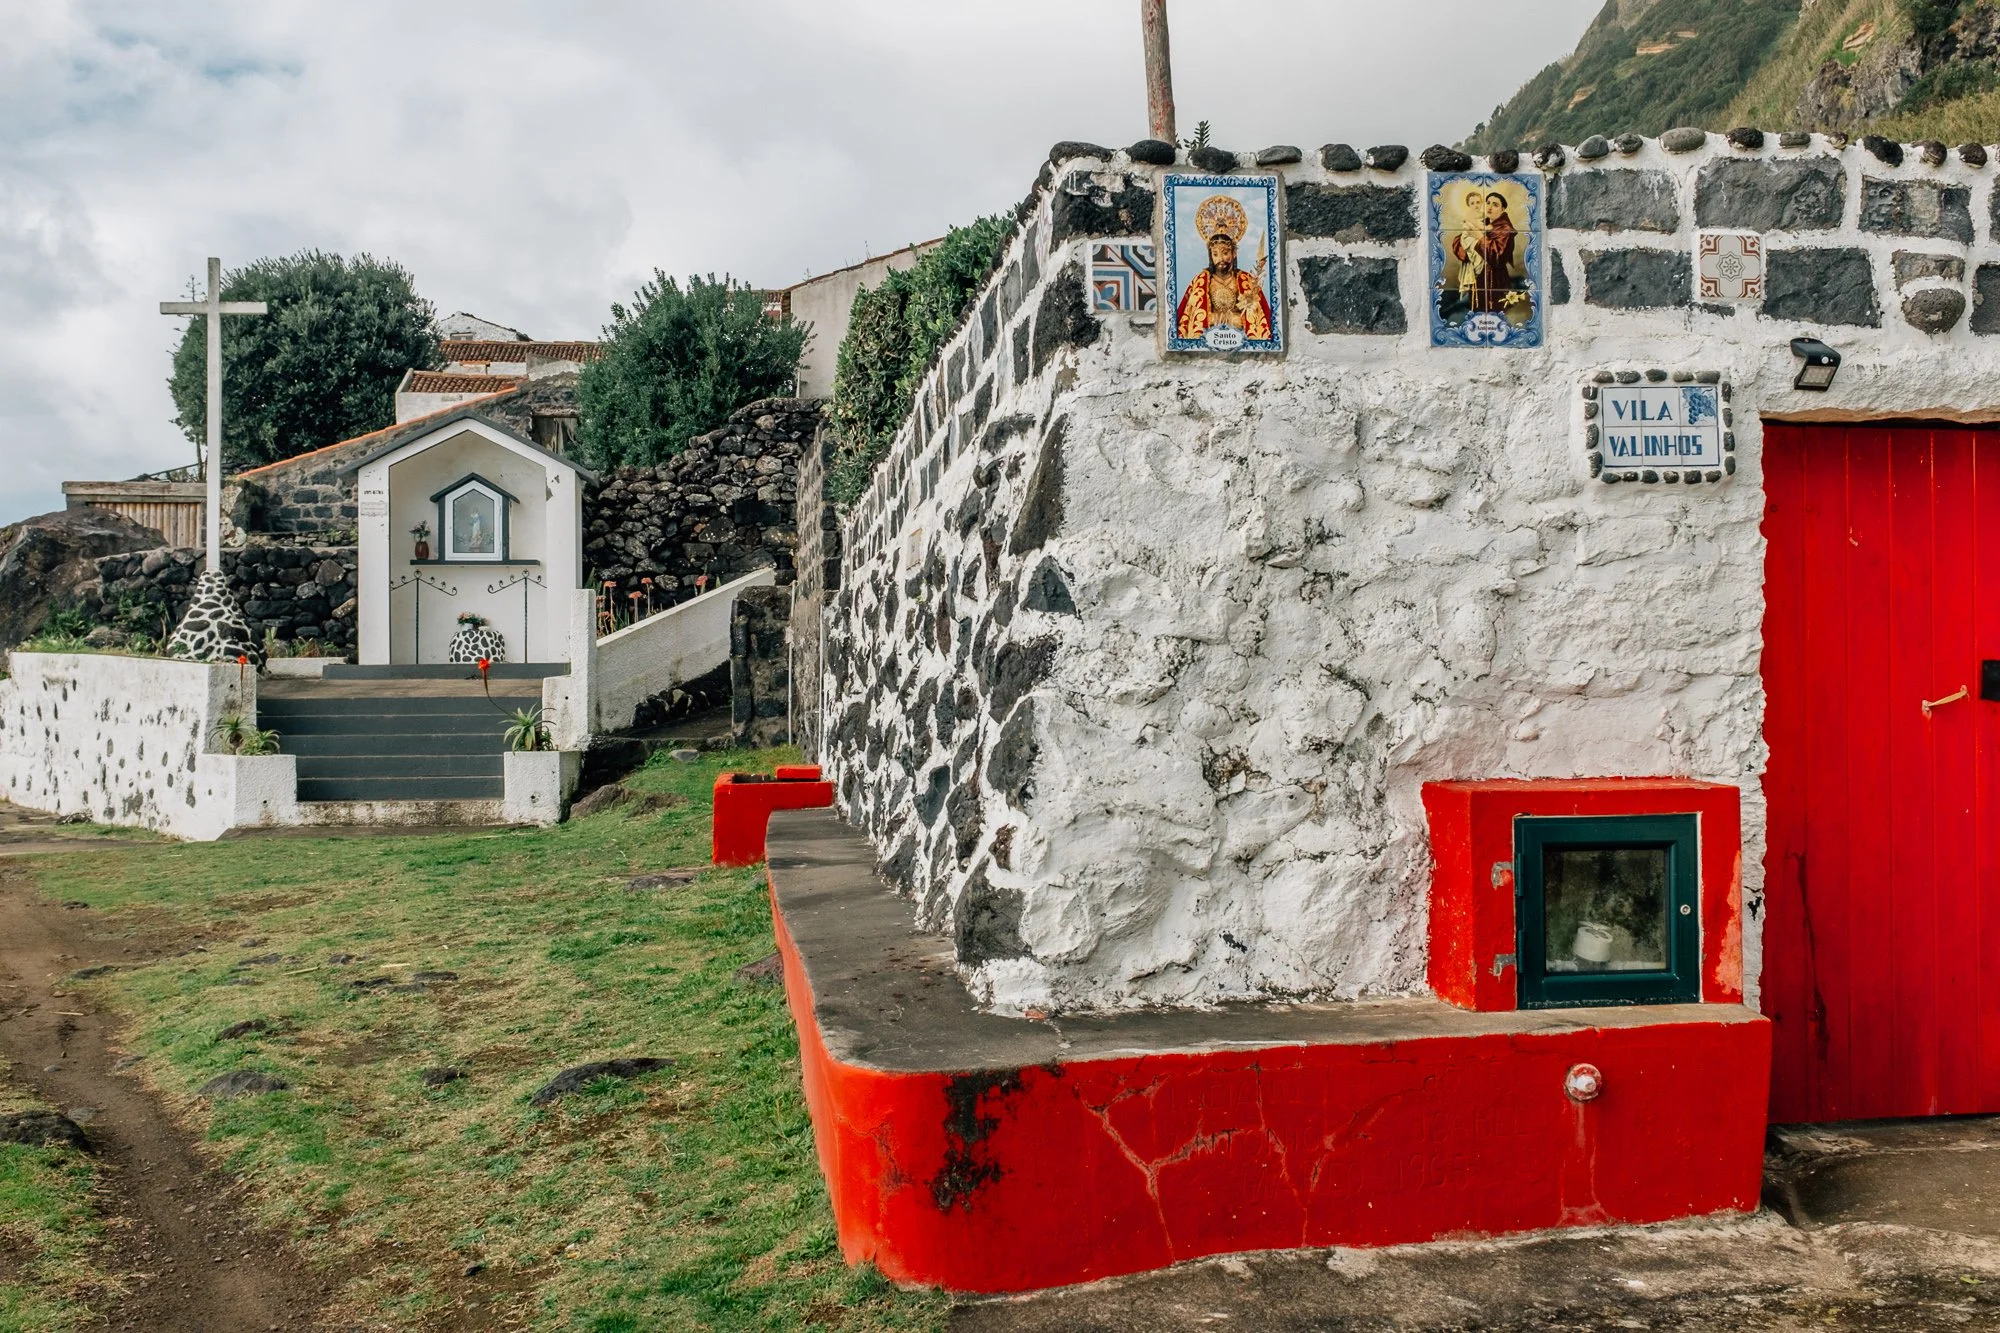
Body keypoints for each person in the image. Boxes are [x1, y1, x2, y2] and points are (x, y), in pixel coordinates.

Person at [1175, 195, 1273, 342]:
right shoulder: (1201, 281)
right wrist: (1221, 319)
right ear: (1210, 255)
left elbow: (1257, 316)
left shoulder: (1247, 281)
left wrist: (1240, 320)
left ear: (1234, 253)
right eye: (1215, 254)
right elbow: (1192, 314)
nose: (1220, 259)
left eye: (1225, 253)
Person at [1449, 191, 1517, 314]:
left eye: (1495, 205)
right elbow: (1460, 243)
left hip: (1495, 278)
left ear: (1503, 209)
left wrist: (1480, 238)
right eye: (1488, 203)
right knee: (1477, 310)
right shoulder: (1483, 221)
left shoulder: (1505, 228)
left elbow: (1498, 256)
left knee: (1495, 312)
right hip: (1478, 276)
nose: (1490, 207)